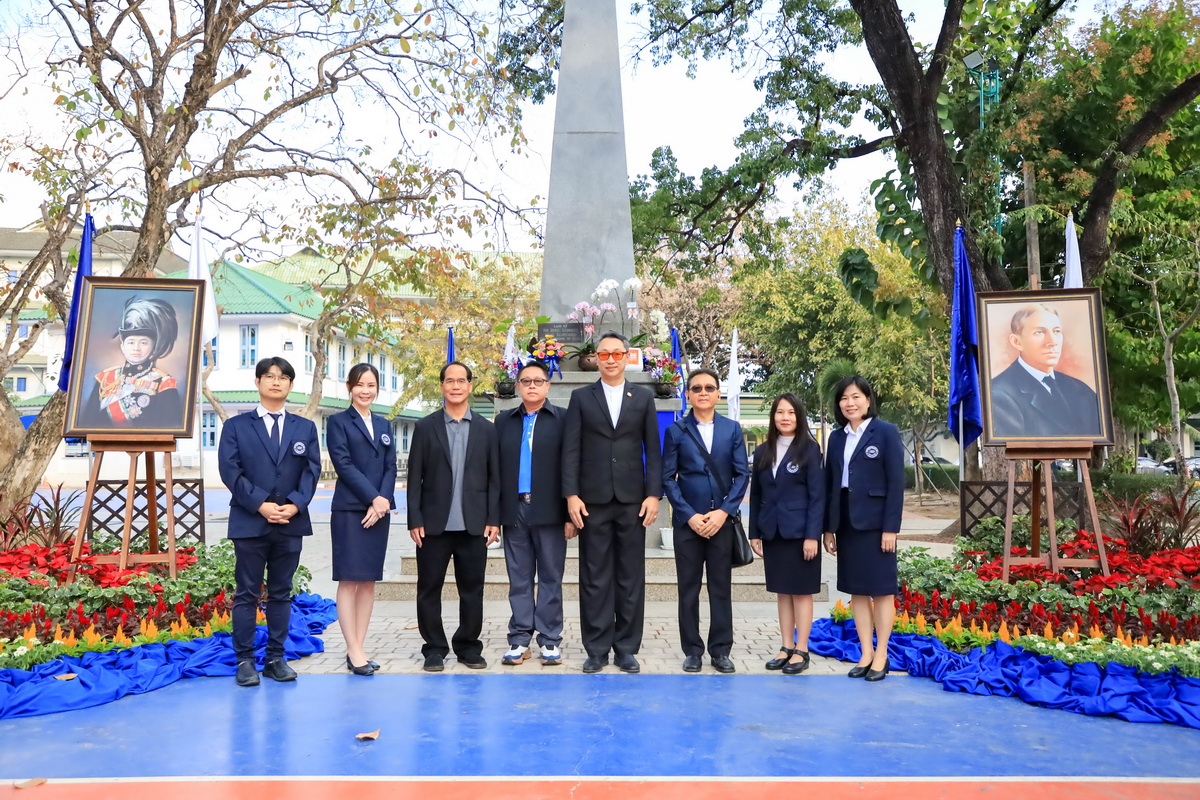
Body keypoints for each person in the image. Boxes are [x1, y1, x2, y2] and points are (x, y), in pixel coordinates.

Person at [562, 331, 662, 674]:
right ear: (596, 358)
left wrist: (653, 494)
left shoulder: (643, 397)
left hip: (633, 500)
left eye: (617, 354)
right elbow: (571, 450)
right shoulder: (581, 397)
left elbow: (653, 450)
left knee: (630, 576)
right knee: (594, 576)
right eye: (604, 354)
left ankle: (626, 648)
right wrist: (571, 495)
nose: (610, 360)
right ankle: (596, 648)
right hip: (592, 500)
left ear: (626, 357)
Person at [217, 357, 321, 687]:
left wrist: (295, 504)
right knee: (247, 593)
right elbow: (230, 470)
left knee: (281, 592)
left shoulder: (304, 428)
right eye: (269, 376)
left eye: (283, 377)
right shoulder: (236, 426)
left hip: (290, 523)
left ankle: (276, 658)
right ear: (258, 382)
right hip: (250, 522)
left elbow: (312, 471)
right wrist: (260, 504)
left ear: (290, 385)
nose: (276, 382)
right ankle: (245, 661)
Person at [407, 361, 500, 672]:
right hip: (433, 525)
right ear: (442, 386)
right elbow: (414, 478)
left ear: (470, 386)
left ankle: (468, 646)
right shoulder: (425, 427)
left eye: (462, 381)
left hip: (474, 525)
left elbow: (495, 479)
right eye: (450, 381)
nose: (456, 386)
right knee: (428, 589)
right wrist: (414, 519)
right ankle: (434, 648)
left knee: (472, 590)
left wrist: (494, 519)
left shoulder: (487, 429)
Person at [662, 368, 749, 674]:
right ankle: (692, 651)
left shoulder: (732, 429)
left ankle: (721, 650)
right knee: (688, 590)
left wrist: (724, 511)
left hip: (721, 523)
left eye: (709, 388)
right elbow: (667, 478)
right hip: (689, 525)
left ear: (718, 394)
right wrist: (689, 515)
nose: (702, 392)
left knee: (720, 589)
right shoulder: (676, 431)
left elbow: (742, 475)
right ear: (687, 395)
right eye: (696, 388)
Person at [822, 375, 904, 682]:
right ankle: (866, 653)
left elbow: (896, 483)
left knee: (882, 591)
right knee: (857, 590)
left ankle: (882, 654)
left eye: (856, 396)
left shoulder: (886, 432)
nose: (850, 403)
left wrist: (890, 528)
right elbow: (831, 484)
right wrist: (829, 528)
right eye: (844, 398)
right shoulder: (836, 437)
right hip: (847, 523)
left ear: (868, 400)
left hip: (877, 524)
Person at [495, 361, 574, 667]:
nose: (531, 386)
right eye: (525, 381)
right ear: (517, 386)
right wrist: (494, 516)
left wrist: (569, 514)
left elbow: (571, 467)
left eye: (538, 381)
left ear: (548, 386)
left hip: (551, 510)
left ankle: (550, 639)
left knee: (551, 577)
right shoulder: (504, 421)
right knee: (519, 578)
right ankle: (519, 638)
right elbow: (495, 471)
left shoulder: (563, 419)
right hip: (514, 510)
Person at [326, 363, 397, 677]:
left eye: (371, 385)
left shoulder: (384, 424)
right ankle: (352, 649)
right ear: (349, 387)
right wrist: (373, 498)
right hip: (350, 510)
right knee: (349, 579)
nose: (365, 391)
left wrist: (383, 502)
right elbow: (343, 464)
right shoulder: (338, 422)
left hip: (378, 512)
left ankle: (359, 647)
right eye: (360, 385)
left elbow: (391, 466)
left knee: (368, 580)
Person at [749, 393, 826, 675]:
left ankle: (802, 649)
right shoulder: (762, 451)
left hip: (800, 533)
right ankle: (786, 646)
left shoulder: (810, 450)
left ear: (799, 416)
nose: (785, 417)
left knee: (801, 592)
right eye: (780, 412)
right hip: (772, 532)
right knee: (782, 591)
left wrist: (812, 536)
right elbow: (756, 496)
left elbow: (817, 497)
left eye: (791, 412)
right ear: (773, 417)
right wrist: (754, 532)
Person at [989, 304, 1102, 439]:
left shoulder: (1081, 390)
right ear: (1017, 342)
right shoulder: (999, 395)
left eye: (1056, 331)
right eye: (1039, 332)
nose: (1052, 342)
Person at [82, 296, 183, 429]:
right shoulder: (105, 379)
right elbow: (89, 423)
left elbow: (171, 426)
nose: (136, 348)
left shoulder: (163, 383)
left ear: (153, 347)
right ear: (122, 346)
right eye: (131, 342)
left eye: (143, 343)